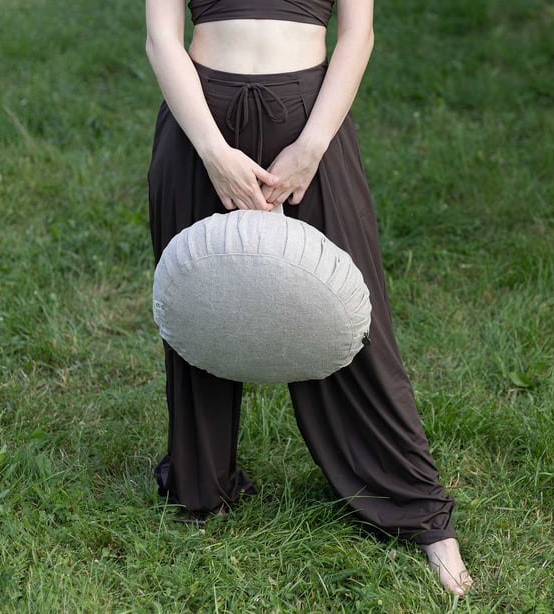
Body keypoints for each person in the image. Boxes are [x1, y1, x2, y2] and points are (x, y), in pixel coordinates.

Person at [145, 0, 473, 595]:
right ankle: (203, 481)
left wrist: (312, 146)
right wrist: (214, 154)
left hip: (309, 120)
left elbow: (358, 33)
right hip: (199, 122)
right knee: (203, 304)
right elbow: (161, 39)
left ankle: (418, 509)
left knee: (356, 318)